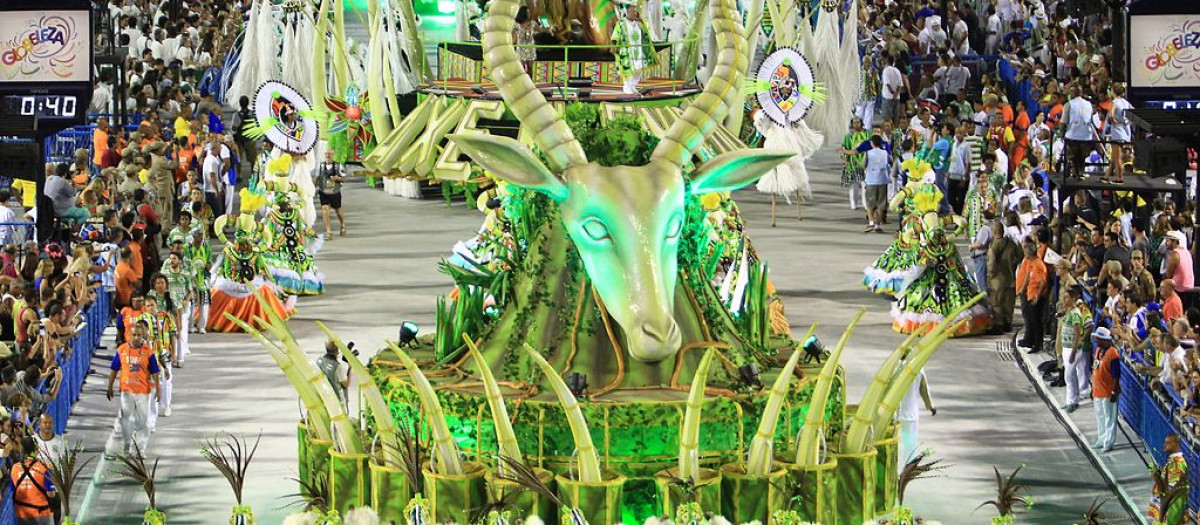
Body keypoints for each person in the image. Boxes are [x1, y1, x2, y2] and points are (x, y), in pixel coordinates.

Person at [106, 321, 160, 457]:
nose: (136, 337)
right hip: (127, 391)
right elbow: (113, 369)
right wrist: (110, 387)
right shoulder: (122, 350)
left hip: (143, 392)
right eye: (134, 335)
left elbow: (155, 372)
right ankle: (127, 445)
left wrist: (158, 390)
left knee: (143, 421)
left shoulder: (148, 352)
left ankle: (140, 448)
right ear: (129, 335)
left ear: (143, 335)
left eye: (139, 335)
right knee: (126, 420)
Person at [9, 436, 56, 525]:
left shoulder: (14, 468)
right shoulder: (45, 467)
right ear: (36, 449)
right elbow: (51, 494)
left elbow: (13, 491)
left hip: (22, 514)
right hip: (42, 514)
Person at [612, 3, 654, 95]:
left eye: (636, 11)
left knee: (638, 71)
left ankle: (632, 86)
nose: (634, 13)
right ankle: (627, 88)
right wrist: (614, 46)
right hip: (627, 52)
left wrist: (640, 20)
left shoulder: (639, 24)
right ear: (627, 12)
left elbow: (646, 32)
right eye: (632, 11)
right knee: (627, 70)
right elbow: (615, 35)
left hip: (638, 51)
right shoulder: (621, 23)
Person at [1091, 327, 1121, 453]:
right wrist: (1092, 389)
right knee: (1100, 416)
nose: (1097, 341)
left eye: (1099, 339)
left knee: (1110, 418)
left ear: (1106, 340)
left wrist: (1114, 391)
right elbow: (1095, 370)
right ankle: (1101, 438)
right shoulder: (1098, 351)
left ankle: (1108, 442)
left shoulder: (1113, 353)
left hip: (1108, 391)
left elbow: (1116, 375)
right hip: (1097, 391)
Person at [898, 368, 935, 466]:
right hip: (910, 416)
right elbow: (924, 390)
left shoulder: (897, 367)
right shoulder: (919, 368)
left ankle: (903, 470)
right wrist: (930, 406)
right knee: (909, 445)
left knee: (897, 445)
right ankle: (907, 470)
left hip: (896, 414)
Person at [1059, 286, 1087, 413]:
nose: (1065, 300)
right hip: (1066, 347)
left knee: (1069, 375)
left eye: (1067, 297)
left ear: (1074, 298)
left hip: (1071, 349)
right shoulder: (1070, 311)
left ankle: (1073, 401)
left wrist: (1074, 351)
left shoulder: (1075, 314)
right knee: (1069, 376)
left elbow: (1077, 333)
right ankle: (1069, 400)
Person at [1016, 240, 1048, 353]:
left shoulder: (1038, 264)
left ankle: (1037, 344)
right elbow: (1028, 278)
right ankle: (1034, 342)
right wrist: (1022, 289)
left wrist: (1037, 297)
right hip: (1030, 295)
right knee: (1032, 320)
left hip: (1035, 298)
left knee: (1037, 322)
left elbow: (1042, 282)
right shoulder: (1031, 263)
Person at [1150, 434, 1188, 523]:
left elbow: (1169, 493)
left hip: (1168, 512)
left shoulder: (1176, 464)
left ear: (1175, 445)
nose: (1164, 445)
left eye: (1167, 443)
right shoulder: (1172, 461)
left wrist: (1161, 515)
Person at [1060, 85, 1094, 180]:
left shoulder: (1069, 104)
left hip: (1072, 135)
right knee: (1082, 157)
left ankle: (1074, 172)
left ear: (1072, 94)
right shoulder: (1089, 104)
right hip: (1086, 136)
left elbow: (1063, 122)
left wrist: (1061, 132)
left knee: (1073, 156)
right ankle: (1081, 172)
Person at [314, 151, 347, 239]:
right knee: (325, 210)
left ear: (333, 155)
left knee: (338, 210)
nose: (328, 155)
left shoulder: (338, 166)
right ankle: (329, 232)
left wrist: (338, 178)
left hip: (335, 191)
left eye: (330, 154)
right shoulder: (320, 166)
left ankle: (343, 223)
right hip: (323, 191)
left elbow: (344, 178)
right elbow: (317, 177)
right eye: (326, 154)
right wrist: (313, 188)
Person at [863, 135, 890, 234]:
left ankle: (871, 223)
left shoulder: (868, 153)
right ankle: (877, 224)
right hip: (883, 180)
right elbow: (890, 162)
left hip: (871, 180)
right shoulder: (885, 153)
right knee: (881, 204)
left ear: (872, 143)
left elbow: (863, 164)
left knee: (870, 203)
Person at [316, 340, 350, 407]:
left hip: (322, 396)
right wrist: (350, 368)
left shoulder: (319, 361)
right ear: (337, 351)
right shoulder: (337, 366)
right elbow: (345, 384)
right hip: (335, 400)